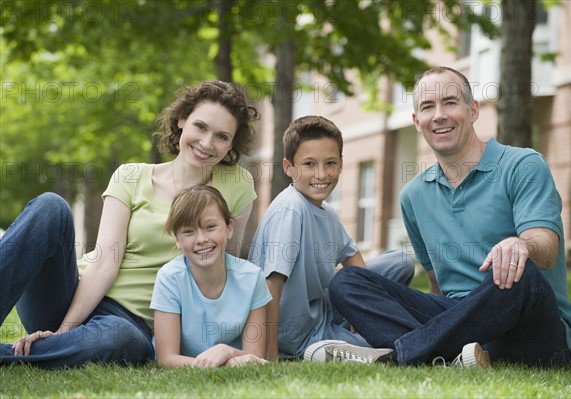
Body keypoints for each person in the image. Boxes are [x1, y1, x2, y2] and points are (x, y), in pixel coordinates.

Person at [304, 67, 571, 368]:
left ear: (473, 110)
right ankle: (450, 356)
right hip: (462, 328)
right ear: (416, 121)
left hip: (531, 330)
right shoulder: (413, 196)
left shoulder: (523, 165)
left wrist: (520, 245)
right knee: (347, 282)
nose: (439, 115)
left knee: (521, 271)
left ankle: (403, 353)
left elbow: (546, 246)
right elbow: (437, 286)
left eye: (450, 102)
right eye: (427, 107)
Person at [0, 80, 260, 368]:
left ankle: (18, 353)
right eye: (200, 127)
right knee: (51, 206)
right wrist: (64, 330)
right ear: (182, 120)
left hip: (131, 324)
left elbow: (227, 270)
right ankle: (59, 344)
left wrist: (229, 348)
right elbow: (104, 263)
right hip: (71, 296)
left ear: (232, 143)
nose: (207, 143)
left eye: (222, 136)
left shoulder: (237, 184)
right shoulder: (131, 176)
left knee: (121, 337)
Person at [248, 115, 415, 360]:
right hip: (297, 334)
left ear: (340, 164)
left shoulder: (327, 212)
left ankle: (357, 328)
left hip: (324, 309)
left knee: (400, 262)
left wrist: (361, 310)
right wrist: (269, 356)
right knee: (388, 347)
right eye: (309, 164)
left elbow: (352, 255)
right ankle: (324, 347)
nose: (321, 174)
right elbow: (271, 286)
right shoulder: (291, 210)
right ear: (288, 168)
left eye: (330, 163)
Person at [151, 185, 271, 368]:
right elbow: (166, 358)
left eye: (210, 227)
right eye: (188, 231)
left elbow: (255, 356)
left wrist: (227, 350)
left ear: (229, 227)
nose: (201, 239)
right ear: (177, 239)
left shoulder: (253, 278)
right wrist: (227, 363)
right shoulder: (169, 279)